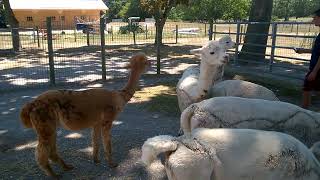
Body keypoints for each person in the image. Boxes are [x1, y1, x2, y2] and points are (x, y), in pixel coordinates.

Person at [295, 8, 320, 109]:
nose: (313, 20)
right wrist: (303, 51)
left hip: (317, 69)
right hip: (316, 68)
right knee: (316, 89)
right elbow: (317, 51)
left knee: (307, 87)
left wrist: (314, 72)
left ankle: (304, 111)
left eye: (315, 18)